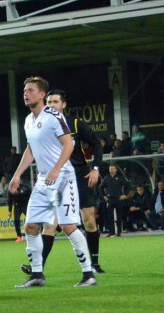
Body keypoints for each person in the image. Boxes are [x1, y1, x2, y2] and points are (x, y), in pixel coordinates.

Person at [8, 77, 96, 288]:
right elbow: (30, 150)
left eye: (30, 90)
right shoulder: (28, 120)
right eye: (24, 91)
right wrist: (17, 174)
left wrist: (56, 169)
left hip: (63, 177)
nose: (25, 94)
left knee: (67, 226)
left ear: (41, 95)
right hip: (43, 180)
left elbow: (68, 145)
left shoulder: (54, 116)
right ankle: (37, 274)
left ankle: (88, 275)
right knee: (30, 225)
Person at [20, 89, 106, 275]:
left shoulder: (75, 123)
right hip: (56, 178)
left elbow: (97, 144)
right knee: (50, 224)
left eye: (55, 102)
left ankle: (95, 264)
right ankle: (39, 267)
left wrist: (95, 169)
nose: (51, 105)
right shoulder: (40, 124)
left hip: (79, 175)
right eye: (49, 102)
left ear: (63, 105)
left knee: (89, 221)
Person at [100, 164, 131, 237]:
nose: (111, 170)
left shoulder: (120, 178)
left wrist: (125, 195)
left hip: (118, 198)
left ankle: (119, 232)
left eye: (113, 168)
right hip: (110, 199)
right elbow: (100, 187)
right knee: (109, 216)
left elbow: (128, 186)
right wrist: (104, 196)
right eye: (110, 169)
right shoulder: (106, 178)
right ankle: (111, 232)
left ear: (116, 170)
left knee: (119, 216)